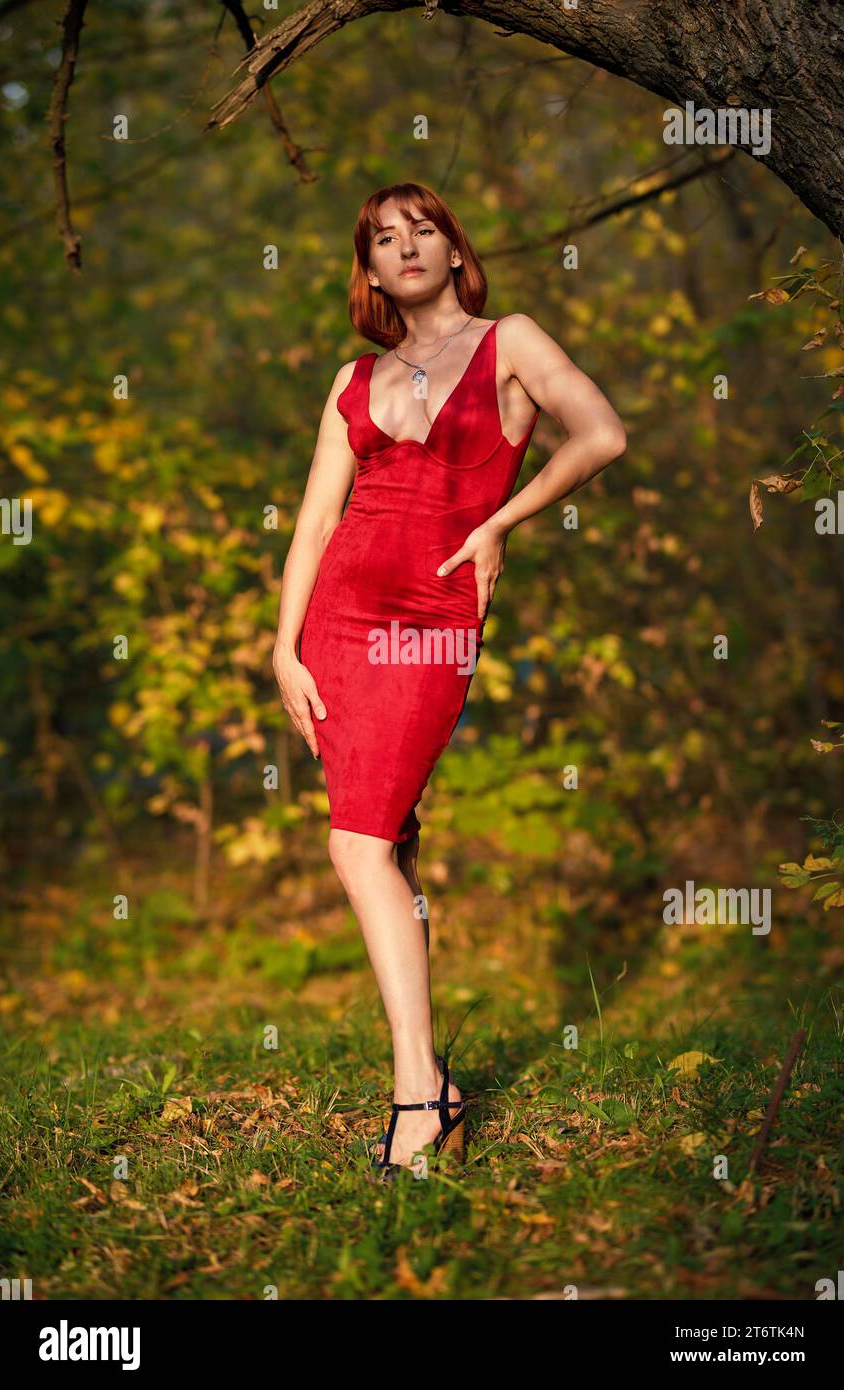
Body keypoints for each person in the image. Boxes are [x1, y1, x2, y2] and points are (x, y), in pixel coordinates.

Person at [273, 181, 627, 1178]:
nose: (406, 245)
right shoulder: (353, 380)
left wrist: (499, 524)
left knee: (356, 849)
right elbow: (311, 523)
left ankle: (416, 1094)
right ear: (372, 272)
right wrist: (281, 644)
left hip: (431, 624)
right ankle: (433, 1084)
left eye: (422, 227)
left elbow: (600, 434)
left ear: (452, 247)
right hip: (336, 621)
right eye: (384, 237)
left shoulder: (509, 340)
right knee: (384, 840)